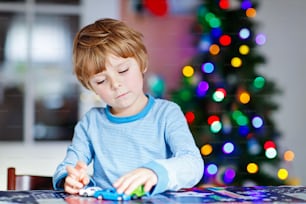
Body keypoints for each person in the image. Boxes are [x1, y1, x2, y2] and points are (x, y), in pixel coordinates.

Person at [52, 18, 204, 196]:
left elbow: (193, 164)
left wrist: (155, 172)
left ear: (142, 63)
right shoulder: (91, 122)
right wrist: (71, 179)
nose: (115, 84)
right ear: (91, 87)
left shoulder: (167, 113)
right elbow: (69, 166)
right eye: (101, 81)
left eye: (123, 70)